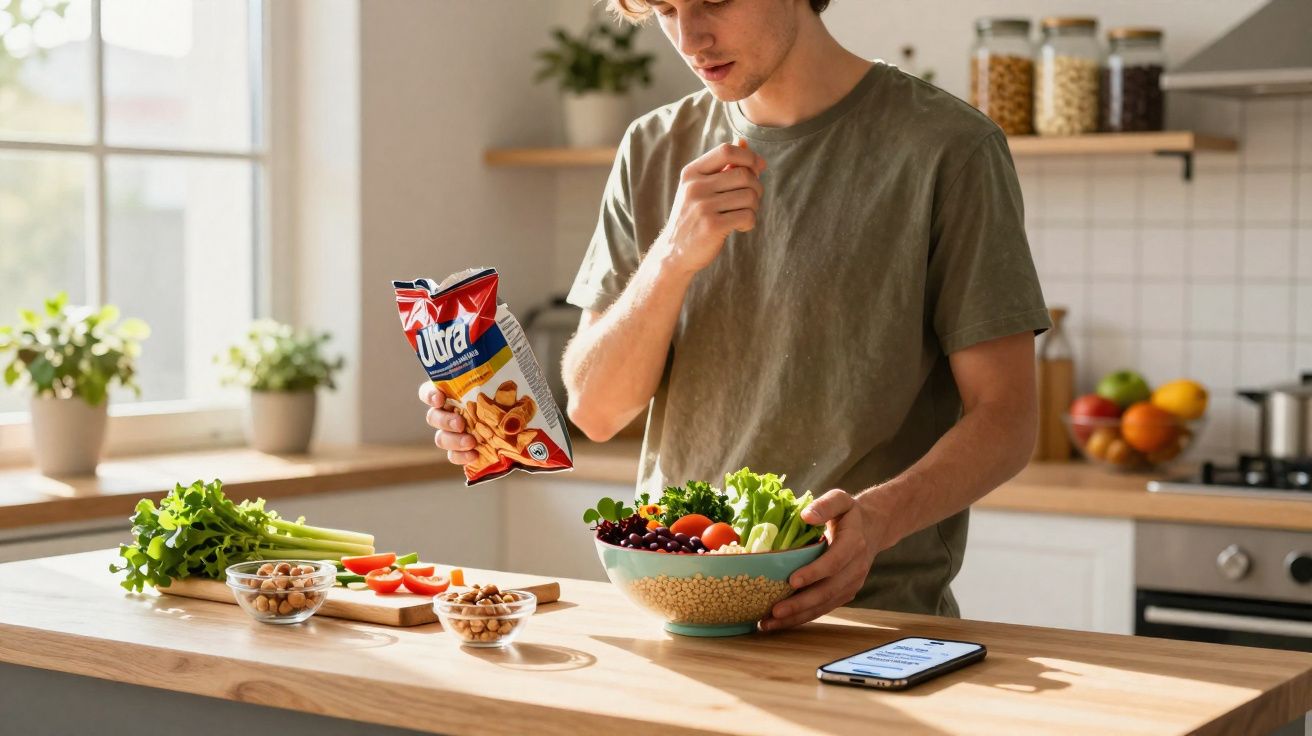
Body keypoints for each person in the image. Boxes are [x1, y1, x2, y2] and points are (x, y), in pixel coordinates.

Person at [420, 0, 1050, 630]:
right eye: (665, 9)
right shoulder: (652, 147)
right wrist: (672, 257)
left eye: (714, 0)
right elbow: (596, 410)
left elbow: (1008, 419)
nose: (690, 38)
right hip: (674, 603)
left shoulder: (949, 148)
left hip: (862, 618)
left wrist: (877, 519)